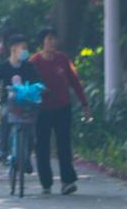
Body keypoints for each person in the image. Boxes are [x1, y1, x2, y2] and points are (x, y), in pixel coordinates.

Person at [30, 28, 92, 195]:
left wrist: (84, 104)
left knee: (64, 145)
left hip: (63, 107)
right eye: (49, 39)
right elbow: (28, 85)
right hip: (42, 109)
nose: (52, 42)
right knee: (42, 147)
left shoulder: (63, 59)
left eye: (54, 39)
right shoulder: (34, 61)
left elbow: (74, 81)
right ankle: (46, 182)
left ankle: (67, 181)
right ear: (42, 42)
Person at [0, 34, 42, 182]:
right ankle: (3, 150)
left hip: (27, 103)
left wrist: (40, 87)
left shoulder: (29, 67)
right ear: (13, 49)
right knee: (5, 116)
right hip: (9, 103)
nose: (25, 51)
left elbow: (38, 80)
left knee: (32, 127)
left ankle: (27, 157)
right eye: (23, 48)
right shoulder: (3, 67)